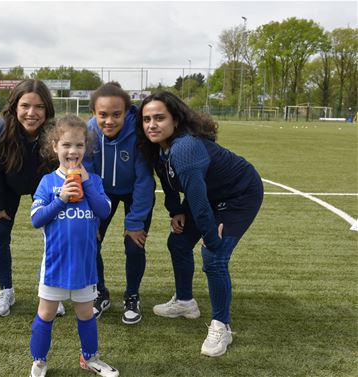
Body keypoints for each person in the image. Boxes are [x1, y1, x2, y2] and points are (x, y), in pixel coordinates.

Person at [136, 91, 264, 357]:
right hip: (211, 196)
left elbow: (198, 200)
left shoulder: (185, 147)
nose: (151, 125)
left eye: (159, 118)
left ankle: (221, 326)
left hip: (240, 194)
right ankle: (185, 302)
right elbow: (170, 186)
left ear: (176, 119)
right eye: (146, 119)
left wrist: (212, 239)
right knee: (179, 242)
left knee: (214, 257)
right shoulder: (158, 146)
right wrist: (175, 211)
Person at [29, 114, 118, 377]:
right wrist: (61, 200)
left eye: (79, 145)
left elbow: (103, 210)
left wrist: (87, 182)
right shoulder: (48, 182)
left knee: (86, 313)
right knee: (45, 314)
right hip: (55, 266)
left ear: (85, 148)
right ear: (55, 146)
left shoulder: (94, 181)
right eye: (66, 145)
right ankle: (39, 361)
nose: (73, 151)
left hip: (84, 266)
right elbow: (36, 219)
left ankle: (89, 358)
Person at [0, 79, 66, 317]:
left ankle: (52, 292)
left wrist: (58, 203)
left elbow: (60, 170)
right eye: (25, 106)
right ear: (14, 107)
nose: (32, 113)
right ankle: (5, 290)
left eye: (39, 107)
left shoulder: (55, 132)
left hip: (43, 185)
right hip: (8, 185)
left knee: (55, 233)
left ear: (47, 109)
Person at [84, 82, 155, 324]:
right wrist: (92, 217)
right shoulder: (89, 132)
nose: (109, 121)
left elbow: (145, 180)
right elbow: (89, 177)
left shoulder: (138, 133)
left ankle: (132, 296)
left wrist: (135, 222)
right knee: (90, 240)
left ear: (126, 112)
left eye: (117, 114)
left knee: (134, 244)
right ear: (93, 112)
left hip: (135, 190)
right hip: (102, 192)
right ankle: (100, 293)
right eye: (103, 114)